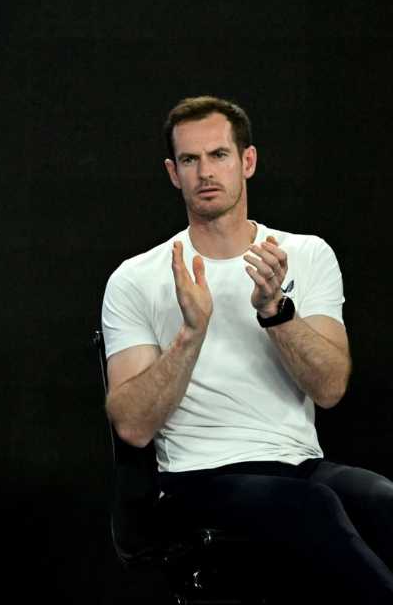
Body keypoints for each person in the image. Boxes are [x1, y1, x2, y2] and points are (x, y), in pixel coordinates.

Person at [101, 95, 393, 602]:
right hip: (195, 478)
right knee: (310, 507)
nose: (205, 172)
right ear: (173, 173)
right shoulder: (137, 277)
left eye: (218, 155)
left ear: (247, 162)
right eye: (189, 160)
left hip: (298, 464)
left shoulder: (304, 253)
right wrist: (191, 333)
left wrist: (276, 310)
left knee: (382, 500)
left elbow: (329, 389)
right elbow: (131, 423)